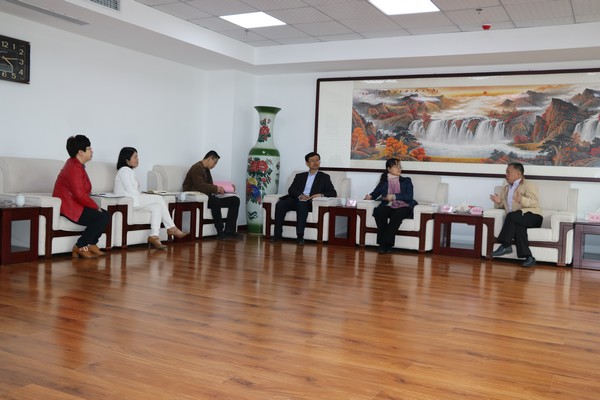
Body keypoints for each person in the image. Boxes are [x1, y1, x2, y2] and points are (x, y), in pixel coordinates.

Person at [114, 147, 188, 250]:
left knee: (157, 207)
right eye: (135, 157)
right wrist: (143, 195)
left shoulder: (129, 171)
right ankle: (172, 228)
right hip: (129, 201)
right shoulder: (124, 170)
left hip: (135, 200)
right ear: (127, 160)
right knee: (159, 199)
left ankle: (154, 236)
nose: (137, 159)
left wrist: (142, 194)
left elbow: (133, 190)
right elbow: (129, 189)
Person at [52, 135, 110, 259]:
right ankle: (80, 246)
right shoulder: (74, 167)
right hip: (69, 207)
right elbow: (80, 195)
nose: (92, 151)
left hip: (75, 204)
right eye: (89, 148)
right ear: (81, 152)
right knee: (101, 217)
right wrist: (95, 207)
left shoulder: (75, 164)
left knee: (106, 215)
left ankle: (92, 244)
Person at [271, 152, 337, 245]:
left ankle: (300, 236)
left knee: (302, 205)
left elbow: (333, 193)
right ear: (307, 163)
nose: (315, 163)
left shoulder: (324, 177)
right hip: (296, 199)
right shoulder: (300, 176)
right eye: (312, 161)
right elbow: (291, 189)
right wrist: (300, 195)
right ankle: (277, 235)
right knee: (280, 204)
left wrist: (320, 195)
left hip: (309, 202)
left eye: (317, 160)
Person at [490, 162, 542, 267]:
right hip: (517, 218)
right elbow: (504, 207)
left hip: (533, 217)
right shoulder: (505, 188)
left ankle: (505, 245)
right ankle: (529, 258)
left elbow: (535, 203)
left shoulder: (528, 185)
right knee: (518, 227)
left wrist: (522, 199)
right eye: (506, 172)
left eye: (508, 172)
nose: (506, 175)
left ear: (518, 174)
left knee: (512, 216)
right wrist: (499, 202)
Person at [182, 150, 242, 240]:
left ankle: (230, 231)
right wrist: (216, 188)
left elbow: (210, 185)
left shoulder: (206, 170)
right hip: (198, 197)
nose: (214, 166)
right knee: (215, 200)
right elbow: (200, 186)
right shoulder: (196, 168)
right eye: (214, 163)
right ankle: (220, 231)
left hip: (208, 196)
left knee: (235, 200)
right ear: (210, 159)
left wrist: (227, 188)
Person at [364, 158, 417, 253]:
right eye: (396, 166)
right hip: (388, 206)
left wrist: (394, 196)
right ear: (388, 169)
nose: (399, 169)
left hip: (404, 206)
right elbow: (375, 193)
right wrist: (370, 197)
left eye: (400, 166)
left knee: (397, 215)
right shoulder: (384, 182)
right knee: (379, 212)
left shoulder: (406, 180)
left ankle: (383, 244)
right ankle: (386, 245)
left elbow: (409, 196)